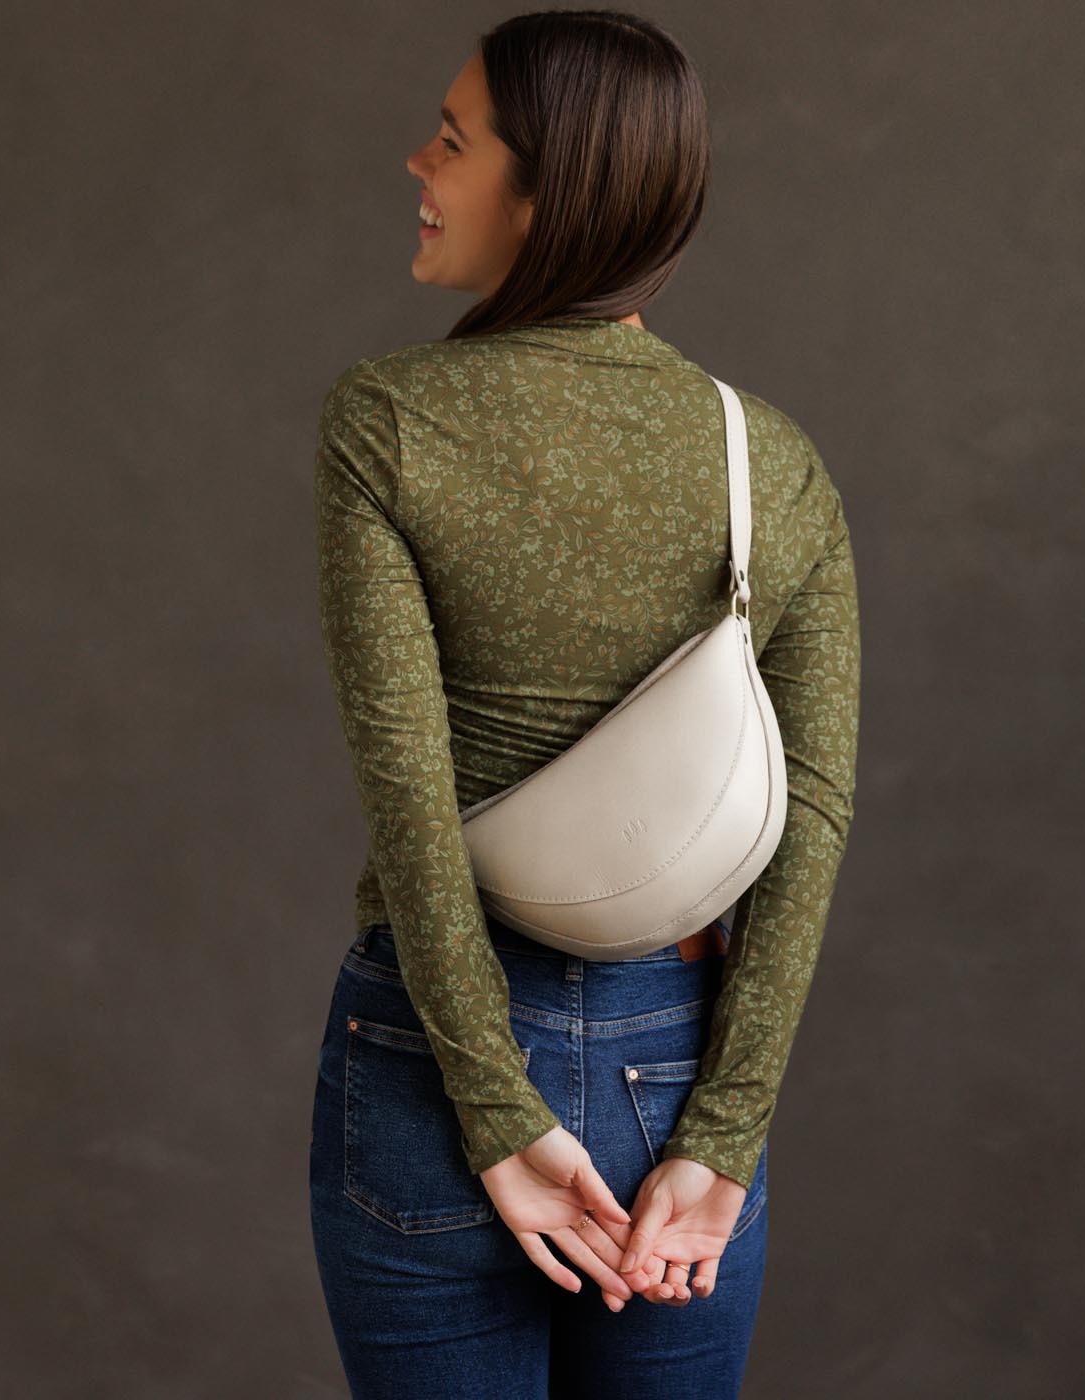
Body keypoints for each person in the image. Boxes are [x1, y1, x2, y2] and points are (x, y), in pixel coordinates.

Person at [308, 11, 861, 1398]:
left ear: (545, 190)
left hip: (430, 1058)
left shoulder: (389, 420)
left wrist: (495, 1109)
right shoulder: (776, 463)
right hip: (677, 1069)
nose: (416, 161)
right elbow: (811, 813)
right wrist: (725, 1133)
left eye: (451, 139)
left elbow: (410, 799)